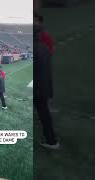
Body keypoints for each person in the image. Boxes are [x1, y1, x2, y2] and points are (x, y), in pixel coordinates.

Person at [35, 13, 60, 150]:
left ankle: (51, 141)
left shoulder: (37, 48)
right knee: (44, 112)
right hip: (44, 84)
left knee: (43, 113)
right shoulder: (43, 47)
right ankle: (51, 140)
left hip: (38, 87)